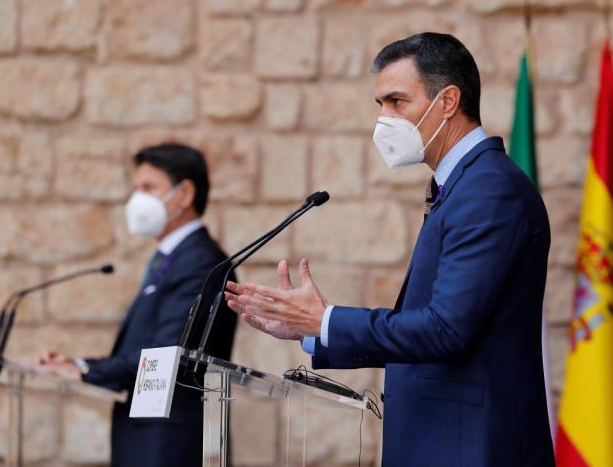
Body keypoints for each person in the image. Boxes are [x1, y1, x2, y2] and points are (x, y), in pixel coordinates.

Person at [226, 33, 555, 466]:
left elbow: (445, 330)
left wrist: (327, 320)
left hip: (471, 447)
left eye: (397, 102)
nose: (384, 119)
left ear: (448, 101)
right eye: (380, 104)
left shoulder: (488, 189)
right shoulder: (462, 185)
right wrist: (312, 330)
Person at [38, 143, 237, 467]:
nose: (137, 199)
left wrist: (86, 371)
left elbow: (166, 352)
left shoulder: (201, 262)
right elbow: (146, 346)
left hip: (168, 441)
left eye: (148, 187)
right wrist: (77, 363)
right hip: (147, 436)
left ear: (185, 194)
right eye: (136, 188)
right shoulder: (172, 259)